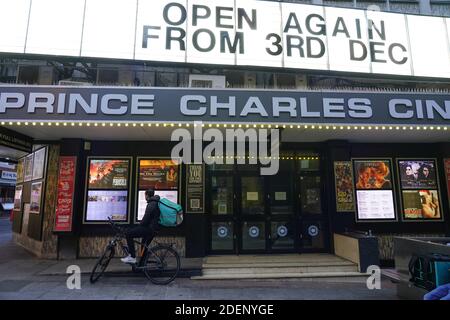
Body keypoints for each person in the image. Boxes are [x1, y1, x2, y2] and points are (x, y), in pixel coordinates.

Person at [121, 188, 160, 264]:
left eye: (145, 195)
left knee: (129, 234)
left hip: (150, 229)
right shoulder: (154, 203)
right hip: (152, 228)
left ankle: (132, 257)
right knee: (144, 246)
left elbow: (146, 219)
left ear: (146, 195)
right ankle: (142, 263)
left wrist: (139, 226)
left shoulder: (151, 204)